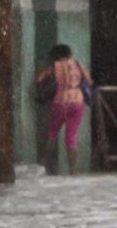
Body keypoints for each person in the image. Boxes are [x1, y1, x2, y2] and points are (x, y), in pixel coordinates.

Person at [35, 44, 92, 176]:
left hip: (60, 102)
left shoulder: (54, 66)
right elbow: (89, 81)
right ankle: (73, 170)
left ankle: (45, 166)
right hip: (77, 102)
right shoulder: (78, 64)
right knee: (71, 137)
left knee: (52, 135)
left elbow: (39, 79)